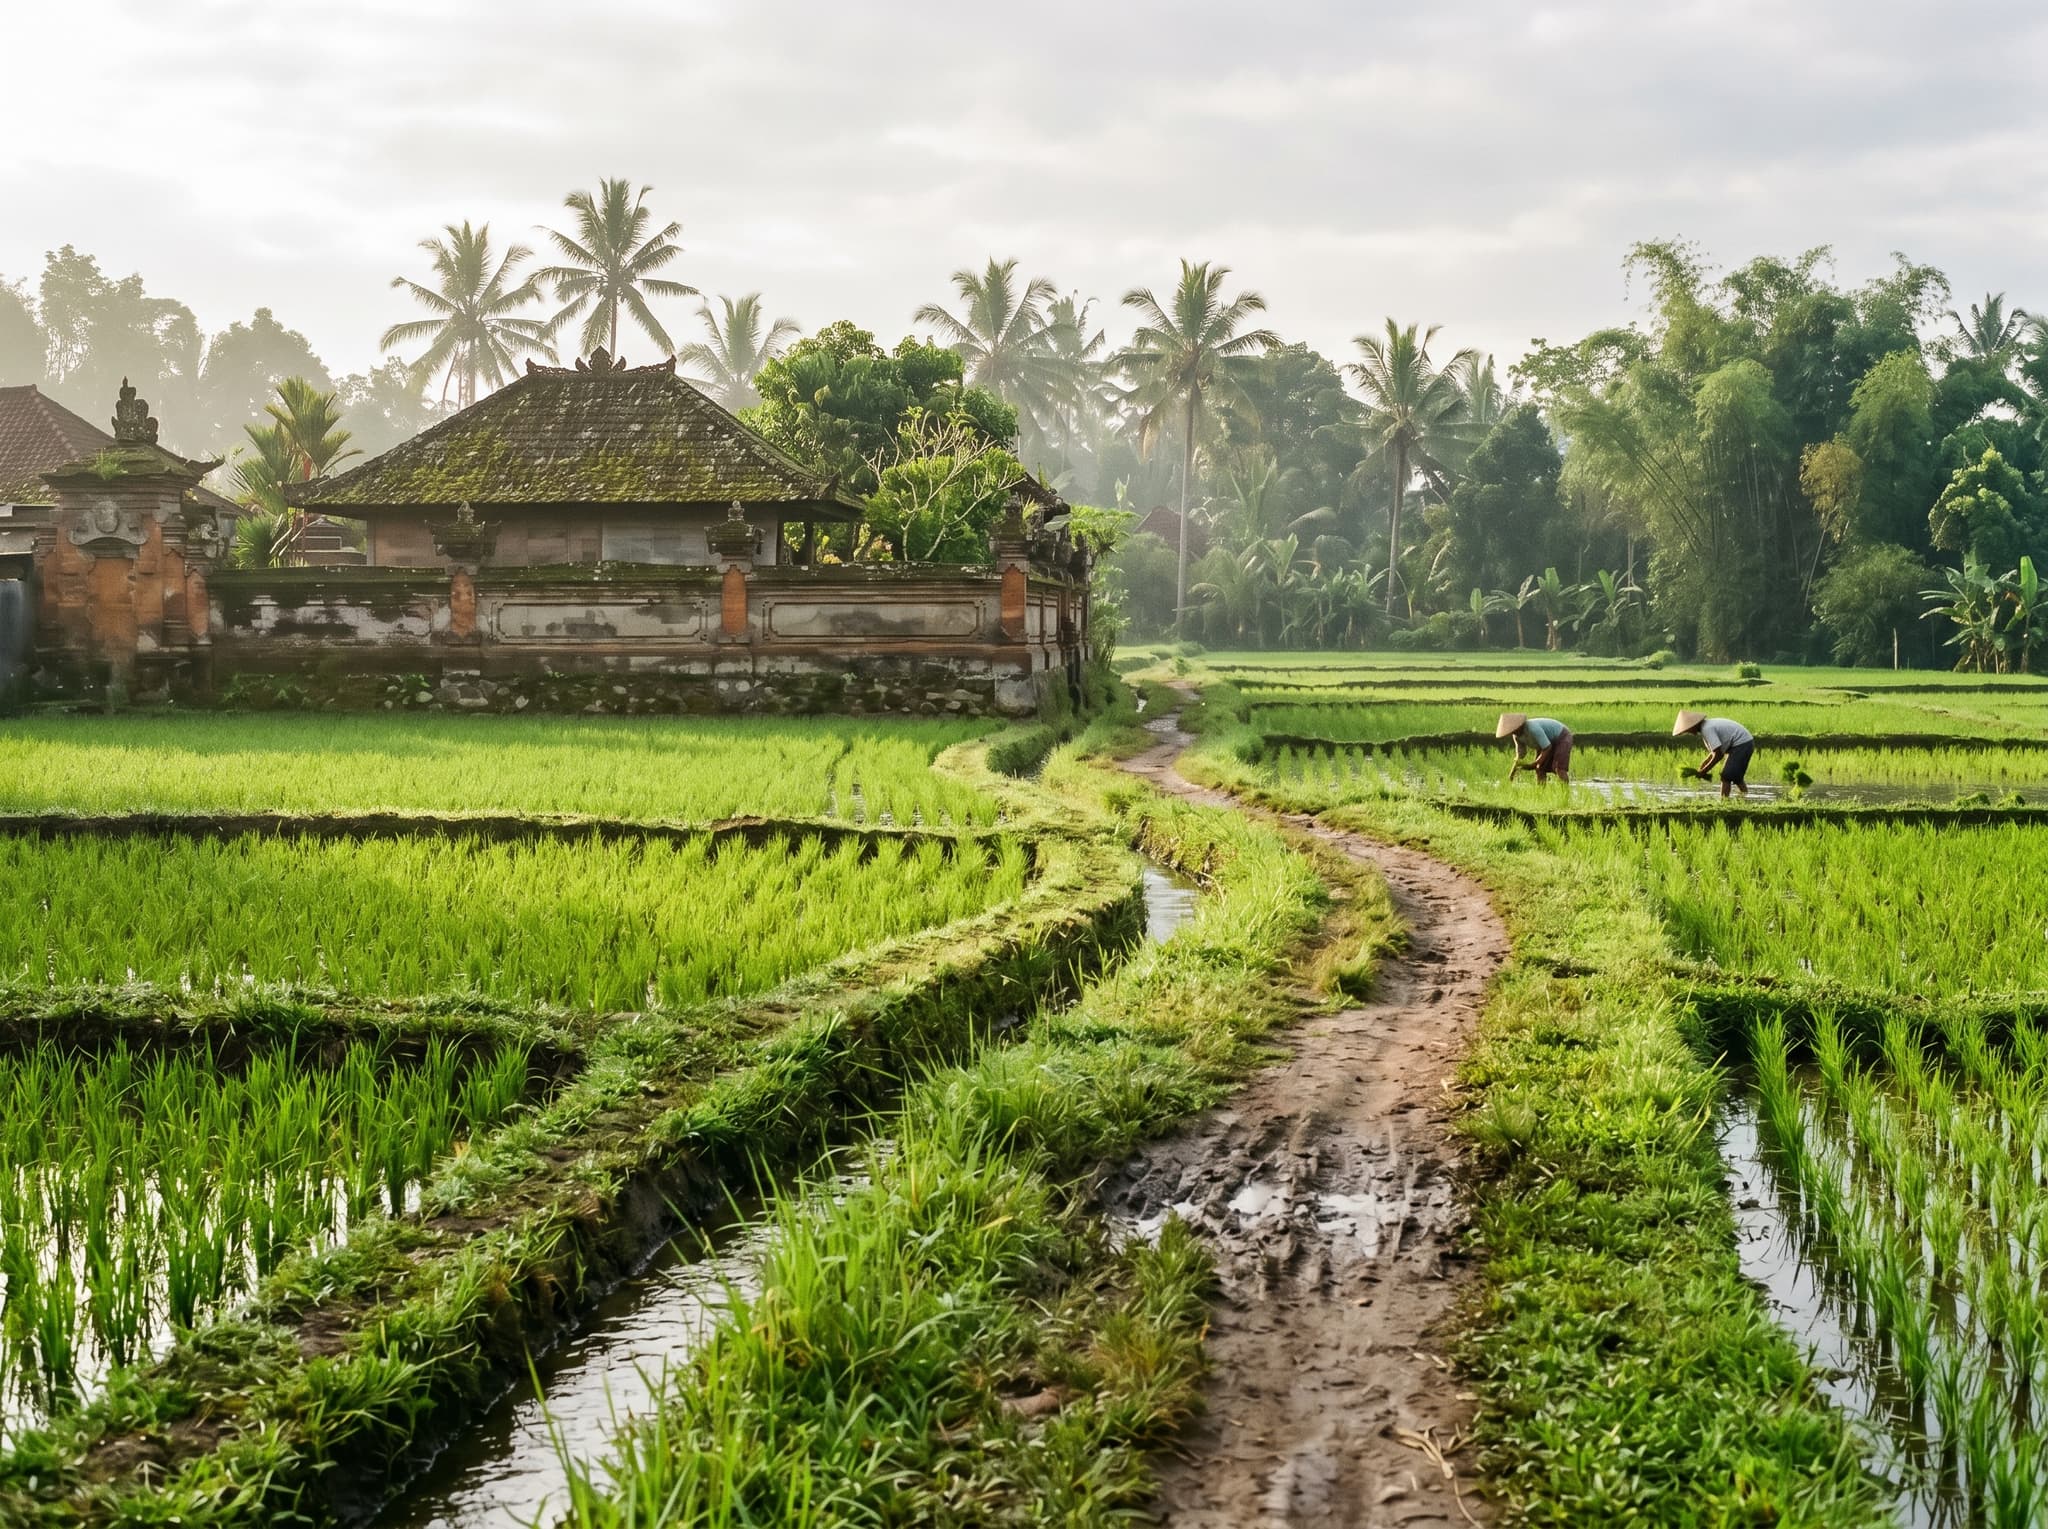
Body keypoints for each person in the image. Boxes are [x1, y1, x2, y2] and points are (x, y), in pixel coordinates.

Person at [1674, 710, 1755, 798]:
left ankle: (1724, 803)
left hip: (1742, 744)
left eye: (1688, 729)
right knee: (1736, 777)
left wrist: (1703, 771)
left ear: (1693, 725)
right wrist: (1703, 765)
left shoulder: (1707, 729)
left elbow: (1718, 755)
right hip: (1743, 743)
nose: (1688, 732)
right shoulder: (1706, 727)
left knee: (1726, 776)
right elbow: (1714, 752)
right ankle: (1745, 797)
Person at [1496, 712, 1572, 787]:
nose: (1513, 732)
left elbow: (1547, 747)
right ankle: (1540, 793)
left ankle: (1565, 793)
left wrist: (1535, 763)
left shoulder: (1532, 728)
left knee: (1558, 768)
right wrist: (1511, 775)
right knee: (1539, 769)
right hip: (1545, 743)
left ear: (1519, 726)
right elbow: (1520, 756)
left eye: (1514, 730)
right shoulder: (1516, 736)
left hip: (1562, 736)